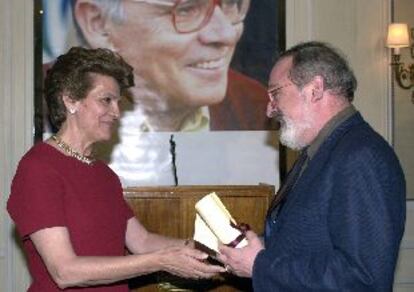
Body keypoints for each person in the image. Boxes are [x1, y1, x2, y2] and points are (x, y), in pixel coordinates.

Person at [7, 47, 224, 291]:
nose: (117, 112)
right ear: (70, 100)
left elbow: (142, 241)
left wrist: (209, 249)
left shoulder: (103, 174)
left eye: (118, 102)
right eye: (106, 100)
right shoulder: (39, 169)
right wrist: (161, 262)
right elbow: (65, 271)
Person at [218, 41, 406, 291]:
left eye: (275, 93)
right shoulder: (321, 151)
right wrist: (262, 248)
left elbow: (363, 279)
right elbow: (310, 243)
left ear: (315, 89)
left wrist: (260, 265)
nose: (269, 108)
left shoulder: (360, 157)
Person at [48, 0, 276, 186]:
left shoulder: (261, 107)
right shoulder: (44, 98)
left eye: (229, 4)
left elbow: (139, 238)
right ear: (98, 23)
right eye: (187, 9)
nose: (225, 34)